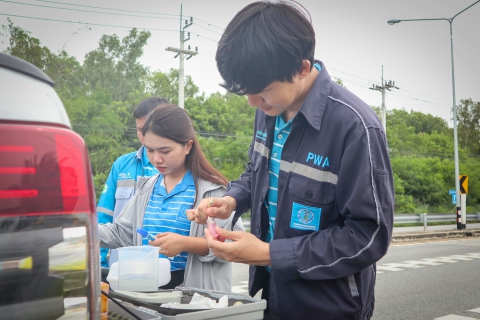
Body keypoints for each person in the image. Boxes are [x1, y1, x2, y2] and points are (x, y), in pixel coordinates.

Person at [189, 1, 394, 319]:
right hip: (271, 294)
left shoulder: (355, 128)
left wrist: (270, 253)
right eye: (246, 91)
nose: (251, 102)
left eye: (261, 91)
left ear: (301, 68)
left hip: (328, 305)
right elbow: (257, 172)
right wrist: (232, 200)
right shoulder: (269, 110)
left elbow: (369, 235)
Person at [99, 104, 244, 291]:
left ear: (187, 146)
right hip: (147, 295)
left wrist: (185, 244)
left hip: (193, 302)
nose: (156, 159)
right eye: (149, 150)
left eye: (165, 151)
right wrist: (83, 229)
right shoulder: (147, 189)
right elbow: (121, 233)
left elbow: (232, 245)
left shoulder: (213, 191)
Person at [97, 97, 168, 268]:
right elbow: (104, 216)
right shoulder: (121, 165)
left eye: (148, 129)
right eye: (139, 129)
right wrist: (101, 265)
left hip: (160, 268)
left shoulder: (171, 170)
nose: (143, 136)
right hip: (119, 268)